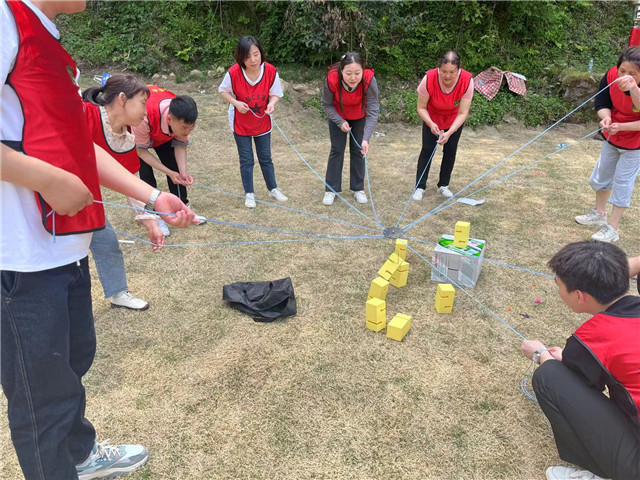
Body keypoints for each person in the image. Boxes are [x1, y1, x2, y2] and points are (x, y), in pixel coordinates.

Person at [0, 1, 196, 478]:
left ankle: (80, 454)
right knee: (41, 398)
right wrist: (45, 180)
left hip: (63, 249)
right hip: (19, 258)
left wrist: (152, 195)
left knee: (72, 363)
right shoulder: (5, 21)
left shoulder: (44, 35)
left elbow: (76, 145)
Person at [520, 241, 640, 480]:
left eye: (559, 285)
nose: (558, 291)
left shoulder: (591, 340)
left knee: (549, 376)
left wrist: (541, 355)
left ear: (579, 296)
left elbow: (579, 386)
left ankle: (603, 470)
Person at [83, 74, 163, 311]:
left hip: (88, 199)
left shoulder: (126, 136)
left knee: (106, 242)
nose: (145, 112)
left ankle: (118, 293)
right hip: (51, 195)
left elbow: (132, 182)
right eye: (141, 103)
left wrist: (150, 223)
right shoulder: (84, 114)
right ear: (121, 99)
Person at [575, 47, 640, 242]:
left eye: (632, 74)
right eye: (622, 71)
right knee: (601, 175)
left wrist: (634, 89)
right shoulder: (611, 74)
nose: (624, 77)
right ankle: (599, 213)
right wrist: (607, 120)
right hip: (613, 136)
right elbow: (601, 103)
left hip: (635, 143)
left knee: (622, 183)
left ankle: (612, 227)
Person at [218, 36, 288, 209]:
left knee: (266, 158)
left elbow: (276, 93)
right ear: (241, 58)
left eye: (256, 54)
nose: (253, 60)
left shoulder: (270, 70)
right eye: (248, 57)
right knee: (247, 159)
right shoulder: (234, 72)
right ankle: (249, 193)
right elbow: (223, 91)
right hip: (240, 123)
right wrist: (235, 103)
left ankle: (273, 188)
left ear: (261, 53)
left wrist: (271, 104)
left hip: (262, 122)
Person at [134, 85, 206, 233]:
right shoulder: (143, 116)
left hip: (164, 134)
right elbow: (141, 151)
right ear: (169, 119)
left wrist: (182, 172)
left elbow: (180, 144)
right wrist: (167, 172)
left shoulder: (181, 115)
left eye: (190, 128)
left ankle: (183, 210)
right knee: (146, 175)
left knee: (176, 169)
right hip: (140, 138)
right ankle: (155, 216)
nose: (187, 132)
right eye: (184, 128)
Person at [412, 50, 473, 201]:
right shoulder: (429, 78)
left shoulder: (467, 80)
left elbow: (463, 112)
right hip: (431, 117)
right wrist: (431, 123)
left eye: (452, 72)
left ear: (458, 70)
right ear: (438, 68)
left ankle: (443, 185)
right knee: (427, 150)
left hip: (454, 119)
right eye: (444, 71)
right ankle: (420, 187)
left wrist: (450, 131)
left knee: (450, 151)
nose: (447, 75)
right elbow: (421, 107)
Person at [320, 51, 379, 206]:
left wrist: (366, 139)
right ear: (341, 71)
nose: (353, 78)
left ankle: (358, 189)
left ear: (363, 70)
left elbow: (373, 110)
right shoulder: (332, 79)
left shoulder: (368, 79)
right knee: (337, 150)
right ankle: (331, 189)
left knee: (359, 150)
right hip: (337, 116)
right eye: (348, 73)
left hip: (360, 116)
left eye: (357, 73)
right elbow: (325, 104)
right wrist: (339, 121)